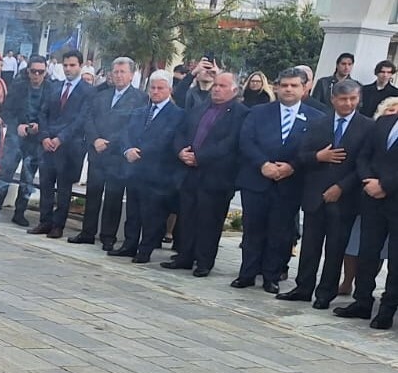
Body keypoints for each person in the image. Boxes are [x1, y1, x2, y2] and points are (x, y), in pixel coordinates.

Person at [279, 78, 375, 306]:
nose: (348, 104)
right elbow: (301, 156)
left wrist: (341, 187)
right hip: (315, 195)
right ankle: (303, 287)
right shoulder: (318, 123)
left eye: (353, 99)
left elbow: (364, 164)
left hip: (345, 198)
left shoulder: (367, 127)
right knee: (310, 246)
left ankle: (325, 293)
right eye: (343, 99)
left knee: (335, 248)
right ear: (333, 99)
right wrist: (318, 157)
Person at [233, 68, 324, 292]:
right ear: (276, 87)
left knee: (280, 232)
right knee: (253, 229)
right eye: (284, 85)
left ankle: (271, 276)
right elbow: (246, 141)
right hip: (257, 180)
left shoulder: (317, 118)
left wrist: (293, 166)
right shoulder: (258, 112)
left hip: (290, 184)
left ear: (305, 88)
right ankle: (247, 273)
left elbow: (314, 150)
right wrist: (263, 164)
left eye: (294, 85)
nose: (289, 89)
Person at [169, 71, 247, 277]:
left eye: (222, 86)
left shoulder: (240, 113)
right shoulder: (201, 107)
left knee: (209, 221)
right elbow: (181, 131)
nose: (217, 89)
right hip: (190, 172)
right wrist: (181, 151)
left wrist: (200, 157)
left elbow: (230, 144)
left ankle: (204, 261)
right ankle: (184, 256)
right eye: (215, 85)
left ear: (234, 90)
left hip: (216, 176)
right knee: (187, 216)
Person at [113, 70, 186, 263]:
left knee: (151, 214)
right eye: (152, 88)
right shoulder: (140, 112)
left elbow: (167, 139)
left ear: (169, 90)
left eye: (160, 88)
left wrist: (141, 152)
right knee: (133, 211)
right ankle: (129, 245)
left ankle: (145, 250)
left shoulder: (177, 115)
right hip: (134, 170)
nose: (155, 91)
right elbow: (126, 134)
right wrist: (127, 149)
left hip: (158, 173)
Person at [71, 57, 143, 248]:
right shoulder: (101, 95)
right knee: (93, 194)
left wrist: (109, 143)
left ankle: (108, 236)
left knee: (113, 197)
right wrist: (95, 139)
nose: (118, 76)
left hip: (117, 157)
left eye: (123, 72)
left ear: (131, 75)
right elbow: (89, 119)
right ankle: (87, 232)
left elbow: (132, 127)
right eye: (116, 72)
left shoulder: (139, 99)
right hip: (97, 152)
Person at [342, 96, 398, 328]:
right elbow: (364, 155)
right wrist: (368, 180)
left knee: (395, 260)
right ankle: (362, 301)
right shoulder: (384, 123)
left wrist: (385, 185)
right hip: (372, 199)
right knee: (367, 252)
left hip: (394, 198)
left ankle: (387, 309)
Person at [29, 50, 93, 237]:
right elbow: (43, 113)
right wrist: (45, 137)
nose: (68, 69)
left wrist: (60, 138)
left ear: (80, 66)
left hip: (69, 147)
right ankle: (45, 221)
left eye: (72, 65)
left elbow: (81, 120)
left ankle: (58, 225)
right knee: (46, 185)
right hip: (48, 144)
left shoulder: (88, 91)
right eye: (65, 65)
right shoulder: (54, 87)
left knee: (64, 188)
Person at [0, 54, 48, 225]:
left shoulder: (51, 89)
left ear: (45, 71)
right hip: (15, 138)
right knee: (5, 174)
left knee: (28, 178)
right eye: (33, 71)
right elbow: (6, 111)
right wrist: (17, 126)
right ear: (28, 71)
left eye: (40, 72)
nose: (36, 75)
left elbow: (51, 115)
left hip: (34, 141)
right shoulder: (18, 87)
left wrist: (39, 126)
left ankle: (20, 212)